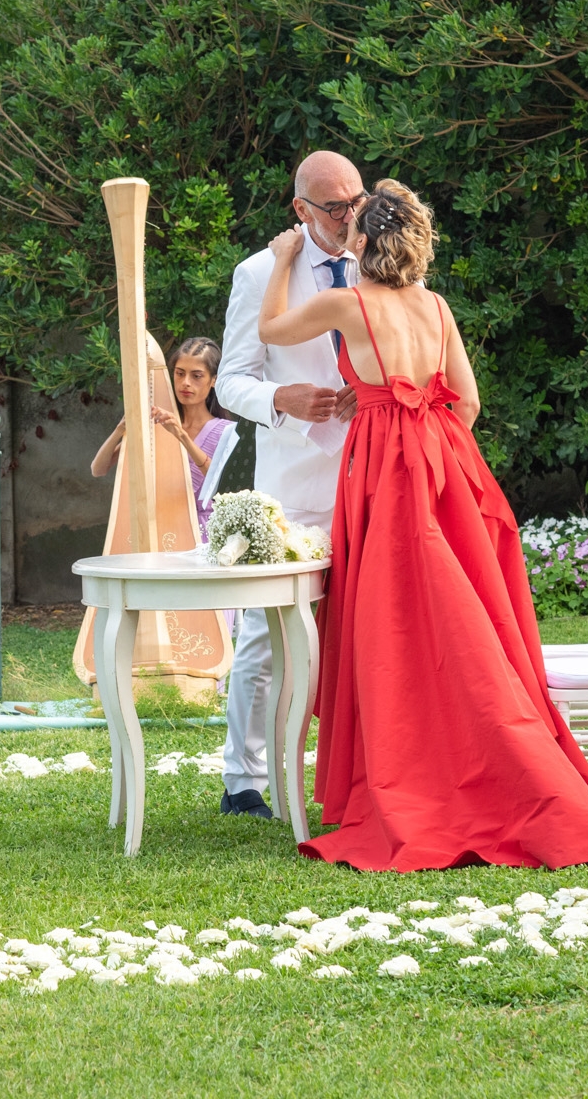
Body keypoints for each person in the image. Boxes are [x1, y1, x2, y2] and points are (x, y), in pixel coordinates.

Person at [259, 180, 588, 871]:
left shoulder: (347, 300)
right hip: (446, 461)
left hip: (384, 467)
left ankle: (420, 762)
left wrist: (283, 259)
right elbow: (468, 401)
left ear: (363, 241)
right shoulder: (435, 305)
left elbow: (272, 331)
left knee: (395, 616)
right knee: (464, 613)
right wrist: (423, 433)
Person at [212, 151, 362, 820]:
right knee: (265, 635)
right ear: (300, 210)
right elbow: (230, 381)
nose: (349, 216)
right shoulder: (258, 272)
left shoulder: (377, 260)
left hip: (366, 473)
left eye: (356, 199)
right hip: (290, 481)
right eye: (334, 206)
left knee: (363, 632)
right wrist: (282, 398)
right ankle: (244, 779)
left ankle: (353, 774)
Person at [90, 337, 238, 538]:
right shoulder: (158, 423)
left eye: (196, 376)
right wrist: (120, 430)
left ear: (213, 381)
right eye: (179, 374)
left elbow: (221, 485)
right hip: (163, 533)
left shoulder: (227, 431)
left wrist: (182, 436)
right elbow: (98, 469)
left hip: (207, 537)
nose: (186, 383)